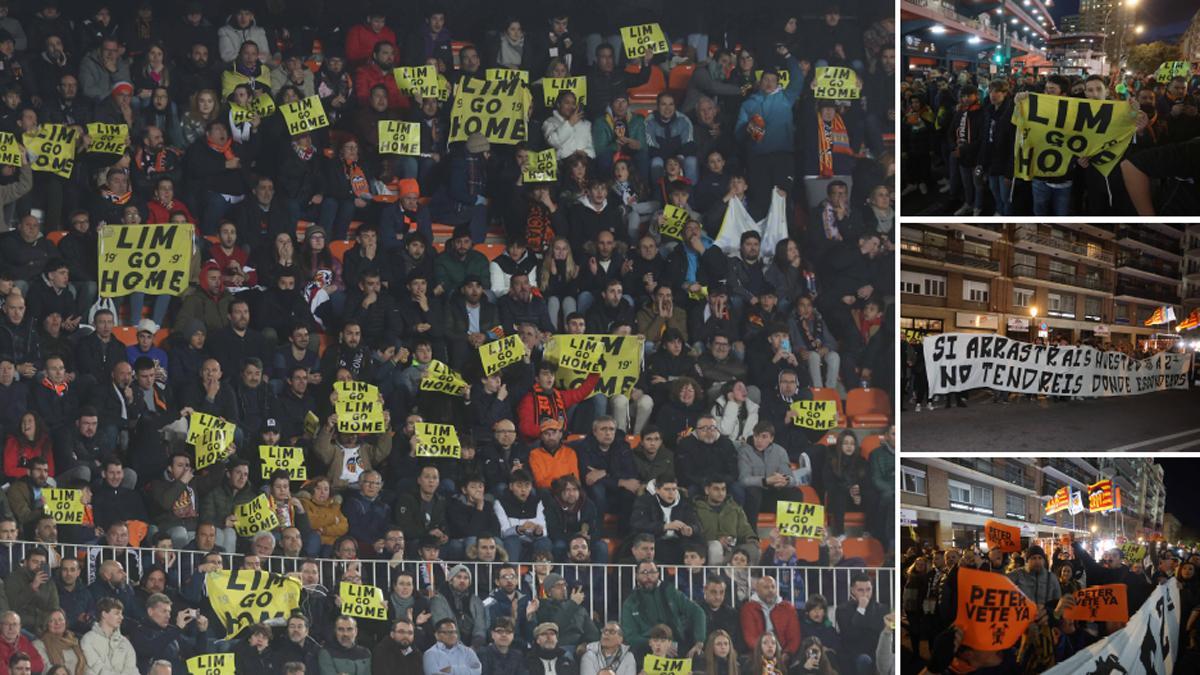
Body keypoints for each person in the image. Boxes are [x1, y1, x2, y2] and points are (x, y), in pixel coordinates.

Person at [620, 561, 706, 655]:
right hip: (646, 649)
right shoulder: (630, 602)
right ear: (637, 576)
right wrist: (656, 644)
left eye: (652, 572)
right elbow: (630, 637)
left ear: (658, 574)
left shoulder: (671, 592)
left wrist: (699, 641)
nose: (648, 576)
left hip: (675, 645)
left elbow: (697, 612)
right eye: (644, 572)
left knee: (697, 655)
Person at [80, 597, 138, 675]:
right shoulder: (88, 639)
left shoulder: (125, 643)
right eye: (117, 613)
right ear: (104, 614)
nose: (121, 617)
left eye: (121, 614)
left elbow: (132, 669)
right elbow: (96, 667)